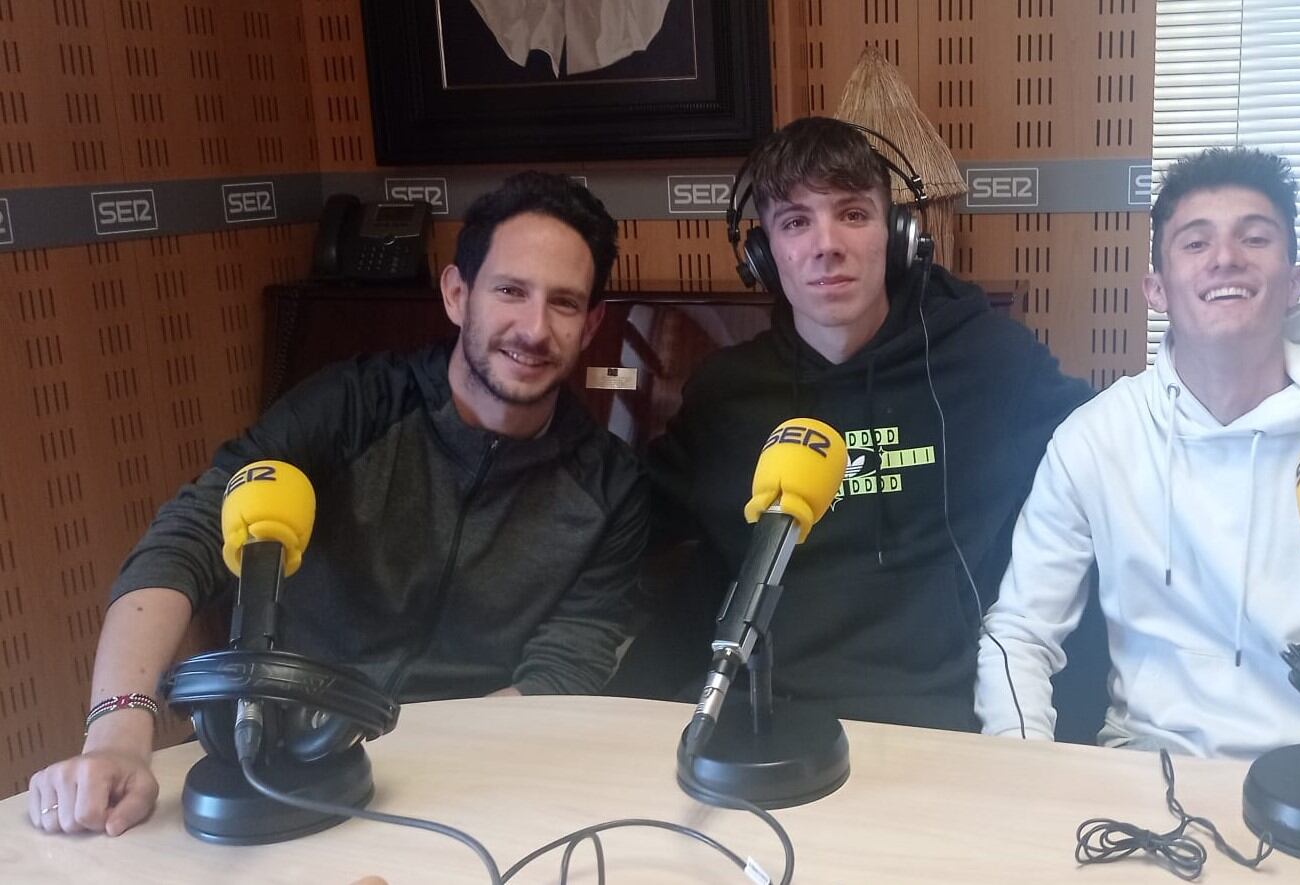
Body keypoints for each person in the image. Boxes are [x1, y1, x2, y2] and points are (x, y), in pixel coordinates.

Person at [27, 171, 649, 834]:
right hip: (280, 764)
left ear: (591, 325)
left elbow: (562, 670)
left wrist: (434, 776)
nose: (533, 327)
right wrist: (117, 734)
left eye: (563, 303)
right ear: (456, 294)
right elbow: (189, 536)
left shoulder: (610, 486)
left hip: (465, 779)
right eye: (510, 291)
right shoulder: (347, 407)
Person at [975, 146, 1300, 756]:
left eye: (1254, 239)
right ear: (1157, 289)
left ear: (1294, 282)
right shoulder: (1096, 440)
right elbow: (1020, 632)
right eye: (1195, 244)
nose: (1225, 258)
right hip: (1142, 776)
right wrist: (1023, 769)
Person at [629, 116, 1092, 732]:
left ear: (897, 236)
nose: (826, 244)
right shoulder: (723, 395)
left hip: (943, 716)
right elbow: (621, 521)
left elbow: (1109, 458)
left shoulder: (989, 361)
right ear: (763, 254)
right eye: (796, 222)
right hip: (763, 716)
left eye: (852, 214)